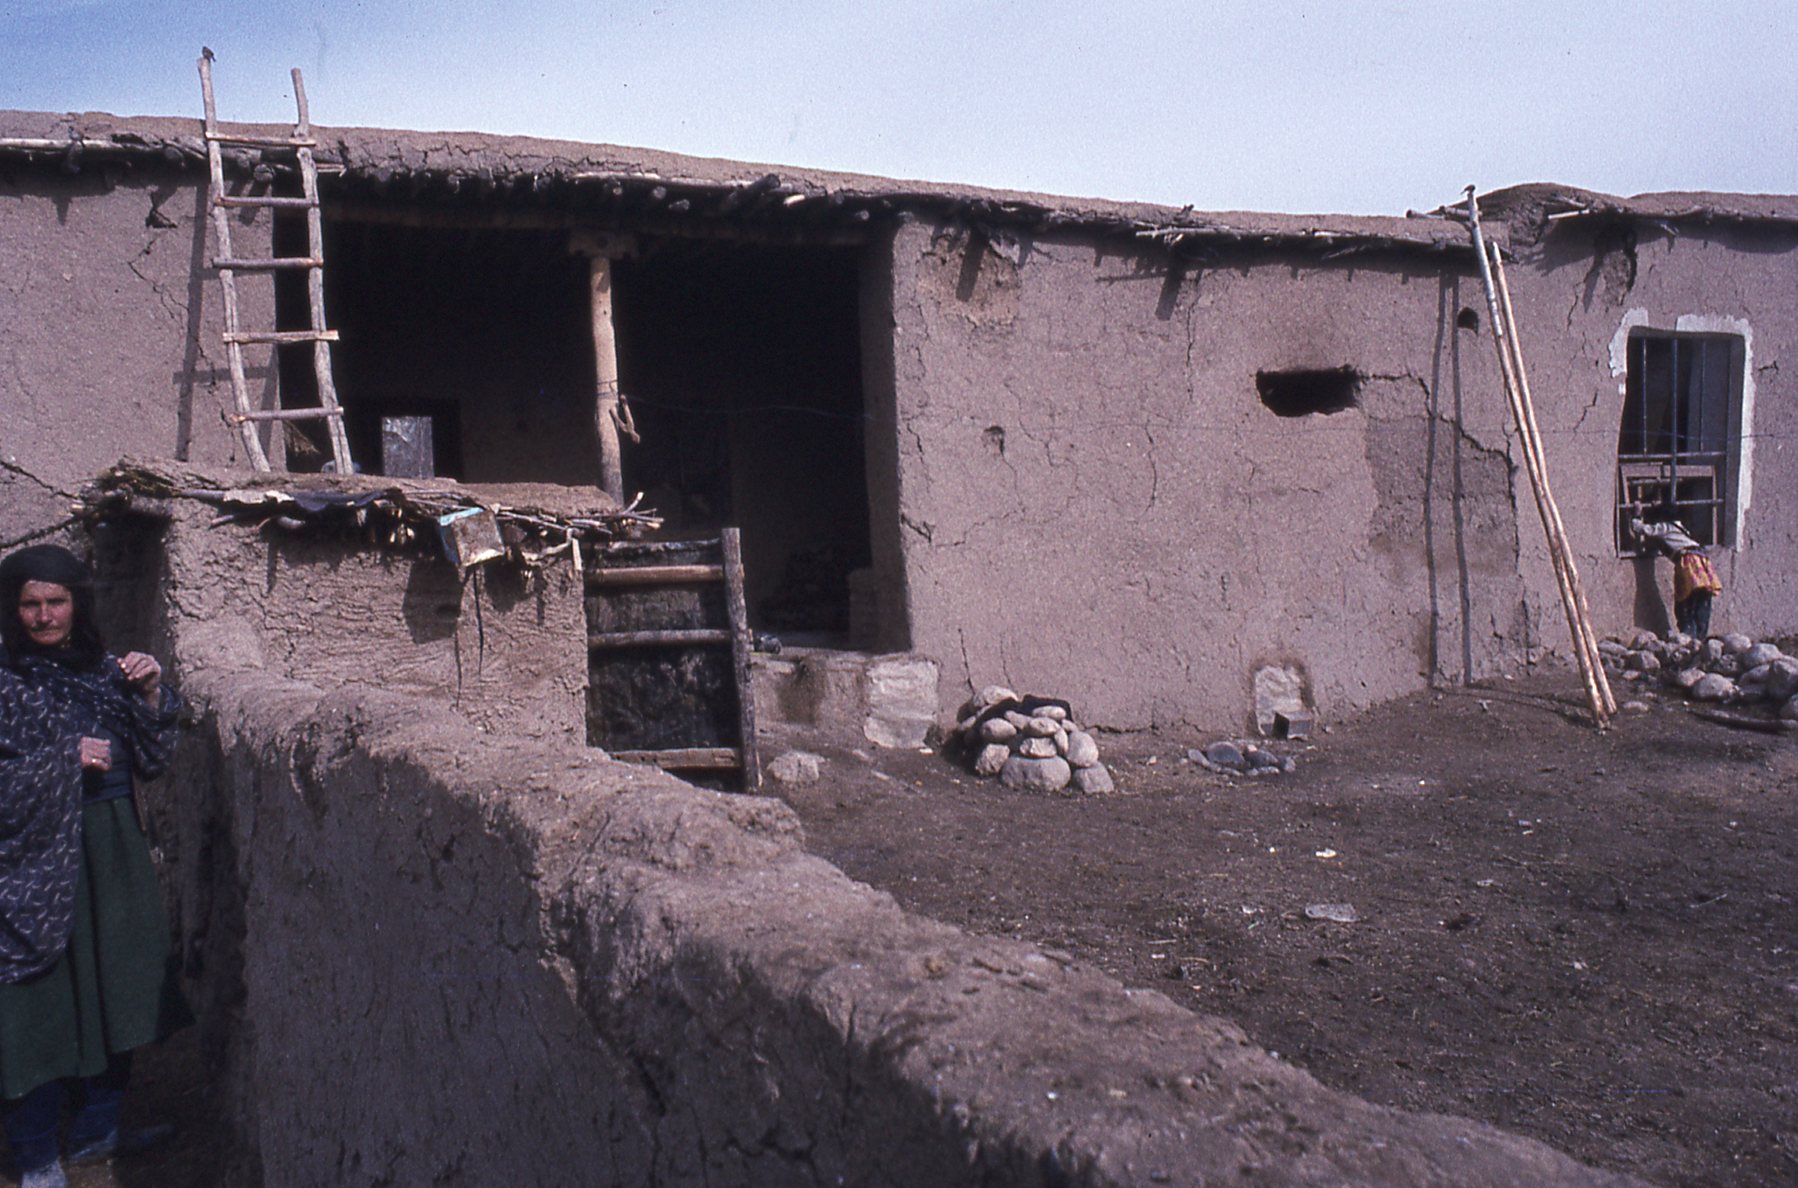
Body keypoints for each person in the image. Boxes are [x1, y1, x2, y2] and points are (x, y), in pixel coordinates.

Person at [0, 545, 190, 1188]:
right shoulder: (4, 681)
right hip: (28, 865)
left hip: (111, 850)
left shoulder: (107, 674)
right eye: (29, 603)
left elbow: (154, 760)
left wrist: (152, 691)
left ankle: (95, 1134)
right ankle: (35, 1157)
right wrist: (62, 760)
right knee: (34, 1010)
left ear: (77, 605)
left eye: (56, 601)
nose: (43, 616)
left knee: (121, 991)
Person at [1630, 508, 1723, 639]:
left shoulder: (1665, 527)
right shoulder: (1683, 529)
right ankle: (1700, 637)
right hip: (1703, 562)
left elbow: (1641, 528)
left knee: (1685, 599)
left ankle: (1688, 634)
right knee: (1702, 597)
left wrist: (1636, 515)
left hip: (1689, 562)